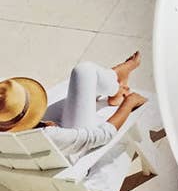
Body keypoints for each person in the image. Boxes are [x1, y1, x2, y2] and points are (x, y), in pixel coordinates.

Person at [0, 53, 147, 163]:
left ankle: (113, 81)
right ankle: (114, 82)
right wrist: (130, 102)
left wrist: (41, 124)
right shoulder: (49, 135)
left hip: (39, 150)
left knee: (84, 82)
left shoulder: (9, 135)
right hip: (67, 158)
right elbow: (102, 135)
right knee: (84, 71)